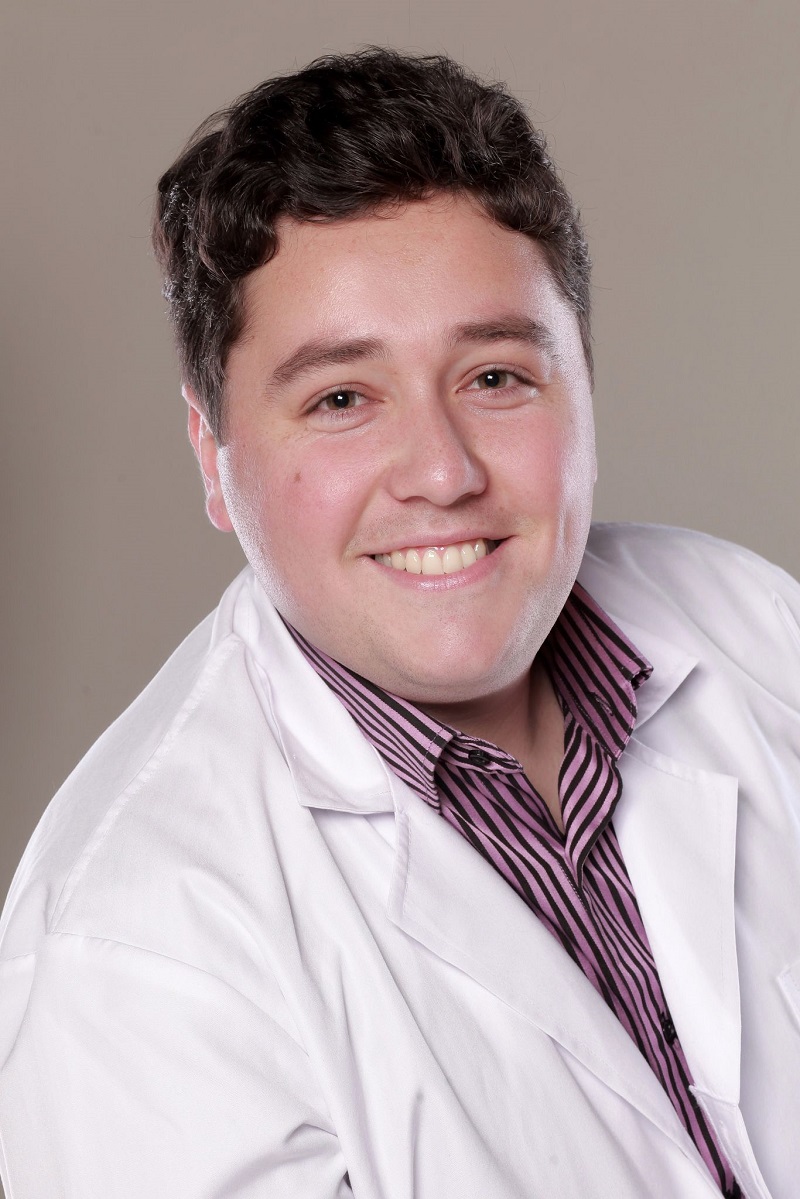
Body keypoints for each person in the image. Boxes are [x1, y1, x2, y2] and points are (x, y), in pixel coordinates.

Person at [0, 47, 798, 1199]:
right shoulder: (131, 948)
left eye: (494, 377)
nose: (440, 471)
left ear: (582, 380)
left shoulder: (755, 628)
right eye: (340, 398)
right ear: (213, 457)